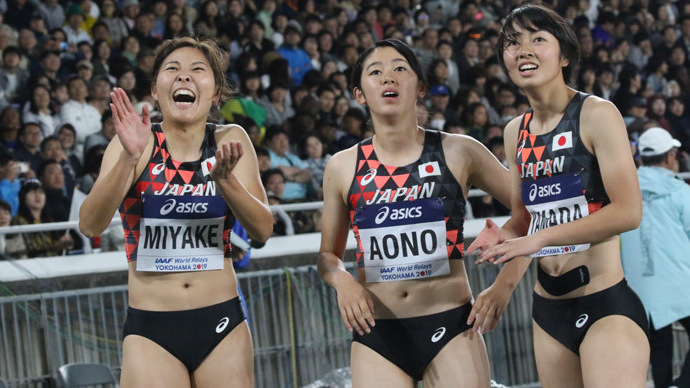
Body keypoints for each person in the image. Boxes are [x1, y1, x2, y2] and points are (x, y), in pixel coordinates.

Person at [468, 5, 649, 388]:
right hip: (547, 310)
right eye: (513, 43)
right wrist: (505, 246)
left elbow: (629, 212)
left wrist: (540, 237)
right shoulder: (515, 131)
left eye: (538, 39)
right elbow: (525, 218)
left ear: (564, 55)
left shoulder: (597, 114)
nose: (524, 50)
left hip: (603, 305)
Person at [78, 37, 273, 386]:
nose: (184, 77)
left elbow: (262, 230)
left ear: (215, 92)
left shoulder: (231, 139)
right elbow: (90, 224)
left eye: (198, 70)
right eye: (173, 69)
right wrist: (128, 157)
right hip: (152, 329)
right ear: (155, 90)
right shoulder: (134, 143)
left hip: (221, 323)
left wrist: (226, 181)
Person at [317, 39, 511, 387]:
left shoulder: (460, 151)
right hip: (378, 335)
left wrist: (504, 283)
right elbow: (328, 256)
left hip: (451, 327)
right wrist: (342, 281)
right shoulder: (342, 167)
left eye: (399, 69)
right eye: (375, 72)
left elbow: (539, 207)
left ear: (420, 87)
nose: (387, 77)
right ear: (360, 94)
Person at [621, 127, 690, 388]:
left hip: (639, 286)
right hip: (682, 282)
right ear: (670, 156)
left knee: (659, 348)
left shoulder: (627, 189)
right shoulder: (680, 191)